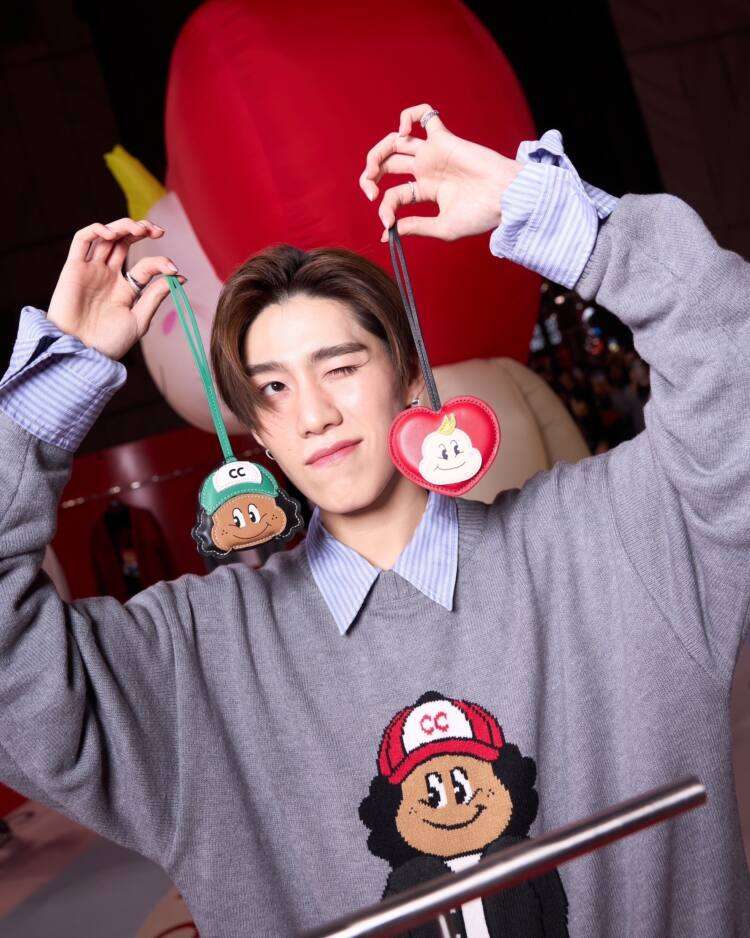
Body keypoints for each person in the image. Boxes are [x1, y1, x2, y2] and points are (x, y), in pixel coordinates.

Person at [0, 101, 748, 938]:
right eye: (273, 388)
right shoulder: (192, 660)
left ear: (411, 379)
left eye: (341, 366)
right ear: (260, 436)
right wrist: (50, 396)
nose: (313, 413)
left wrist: (563, 222)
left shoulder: (614, 542)